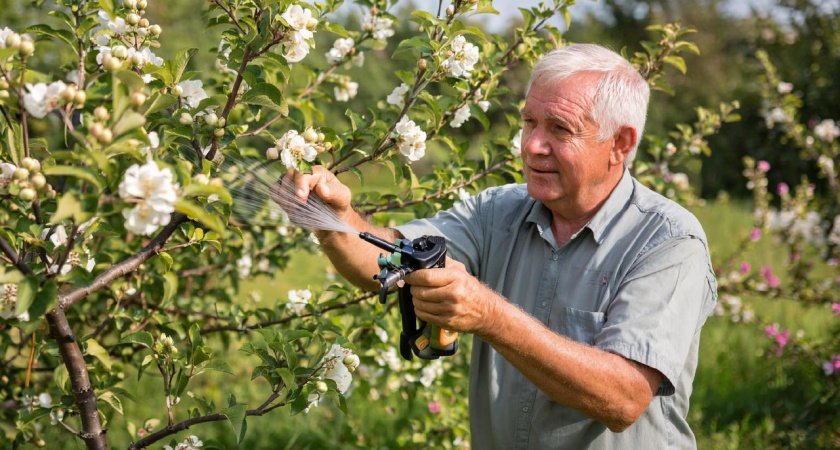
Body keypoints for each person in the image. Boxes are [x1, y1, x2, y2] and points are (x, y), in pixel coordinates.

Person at [286, 43, 717, 449]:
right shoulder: (498, 210)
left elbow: (623, 399)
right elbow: (391, 258)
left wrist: (489, 315)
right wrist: (333, 221)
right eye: (529, 121)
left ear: (619, 144)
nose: (531, 145)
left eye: (560, 129)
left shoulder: (669, 243)